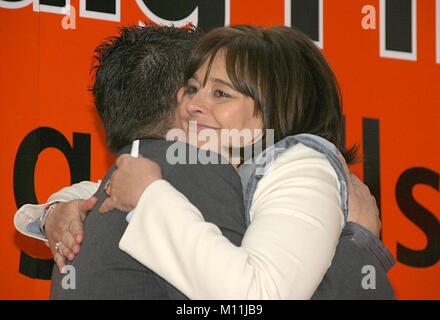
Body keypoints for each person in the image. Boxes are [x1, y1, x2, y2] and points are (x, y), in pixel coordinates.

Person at [14, 25, 394, 299]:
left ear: (274, 109)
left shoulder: (298, 164)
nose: (193, 104)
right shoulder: (197, 169)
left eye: (220, 93)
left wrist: (358, 245)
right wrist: (55, 211)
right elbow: (105, 186)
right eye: (193, 88)